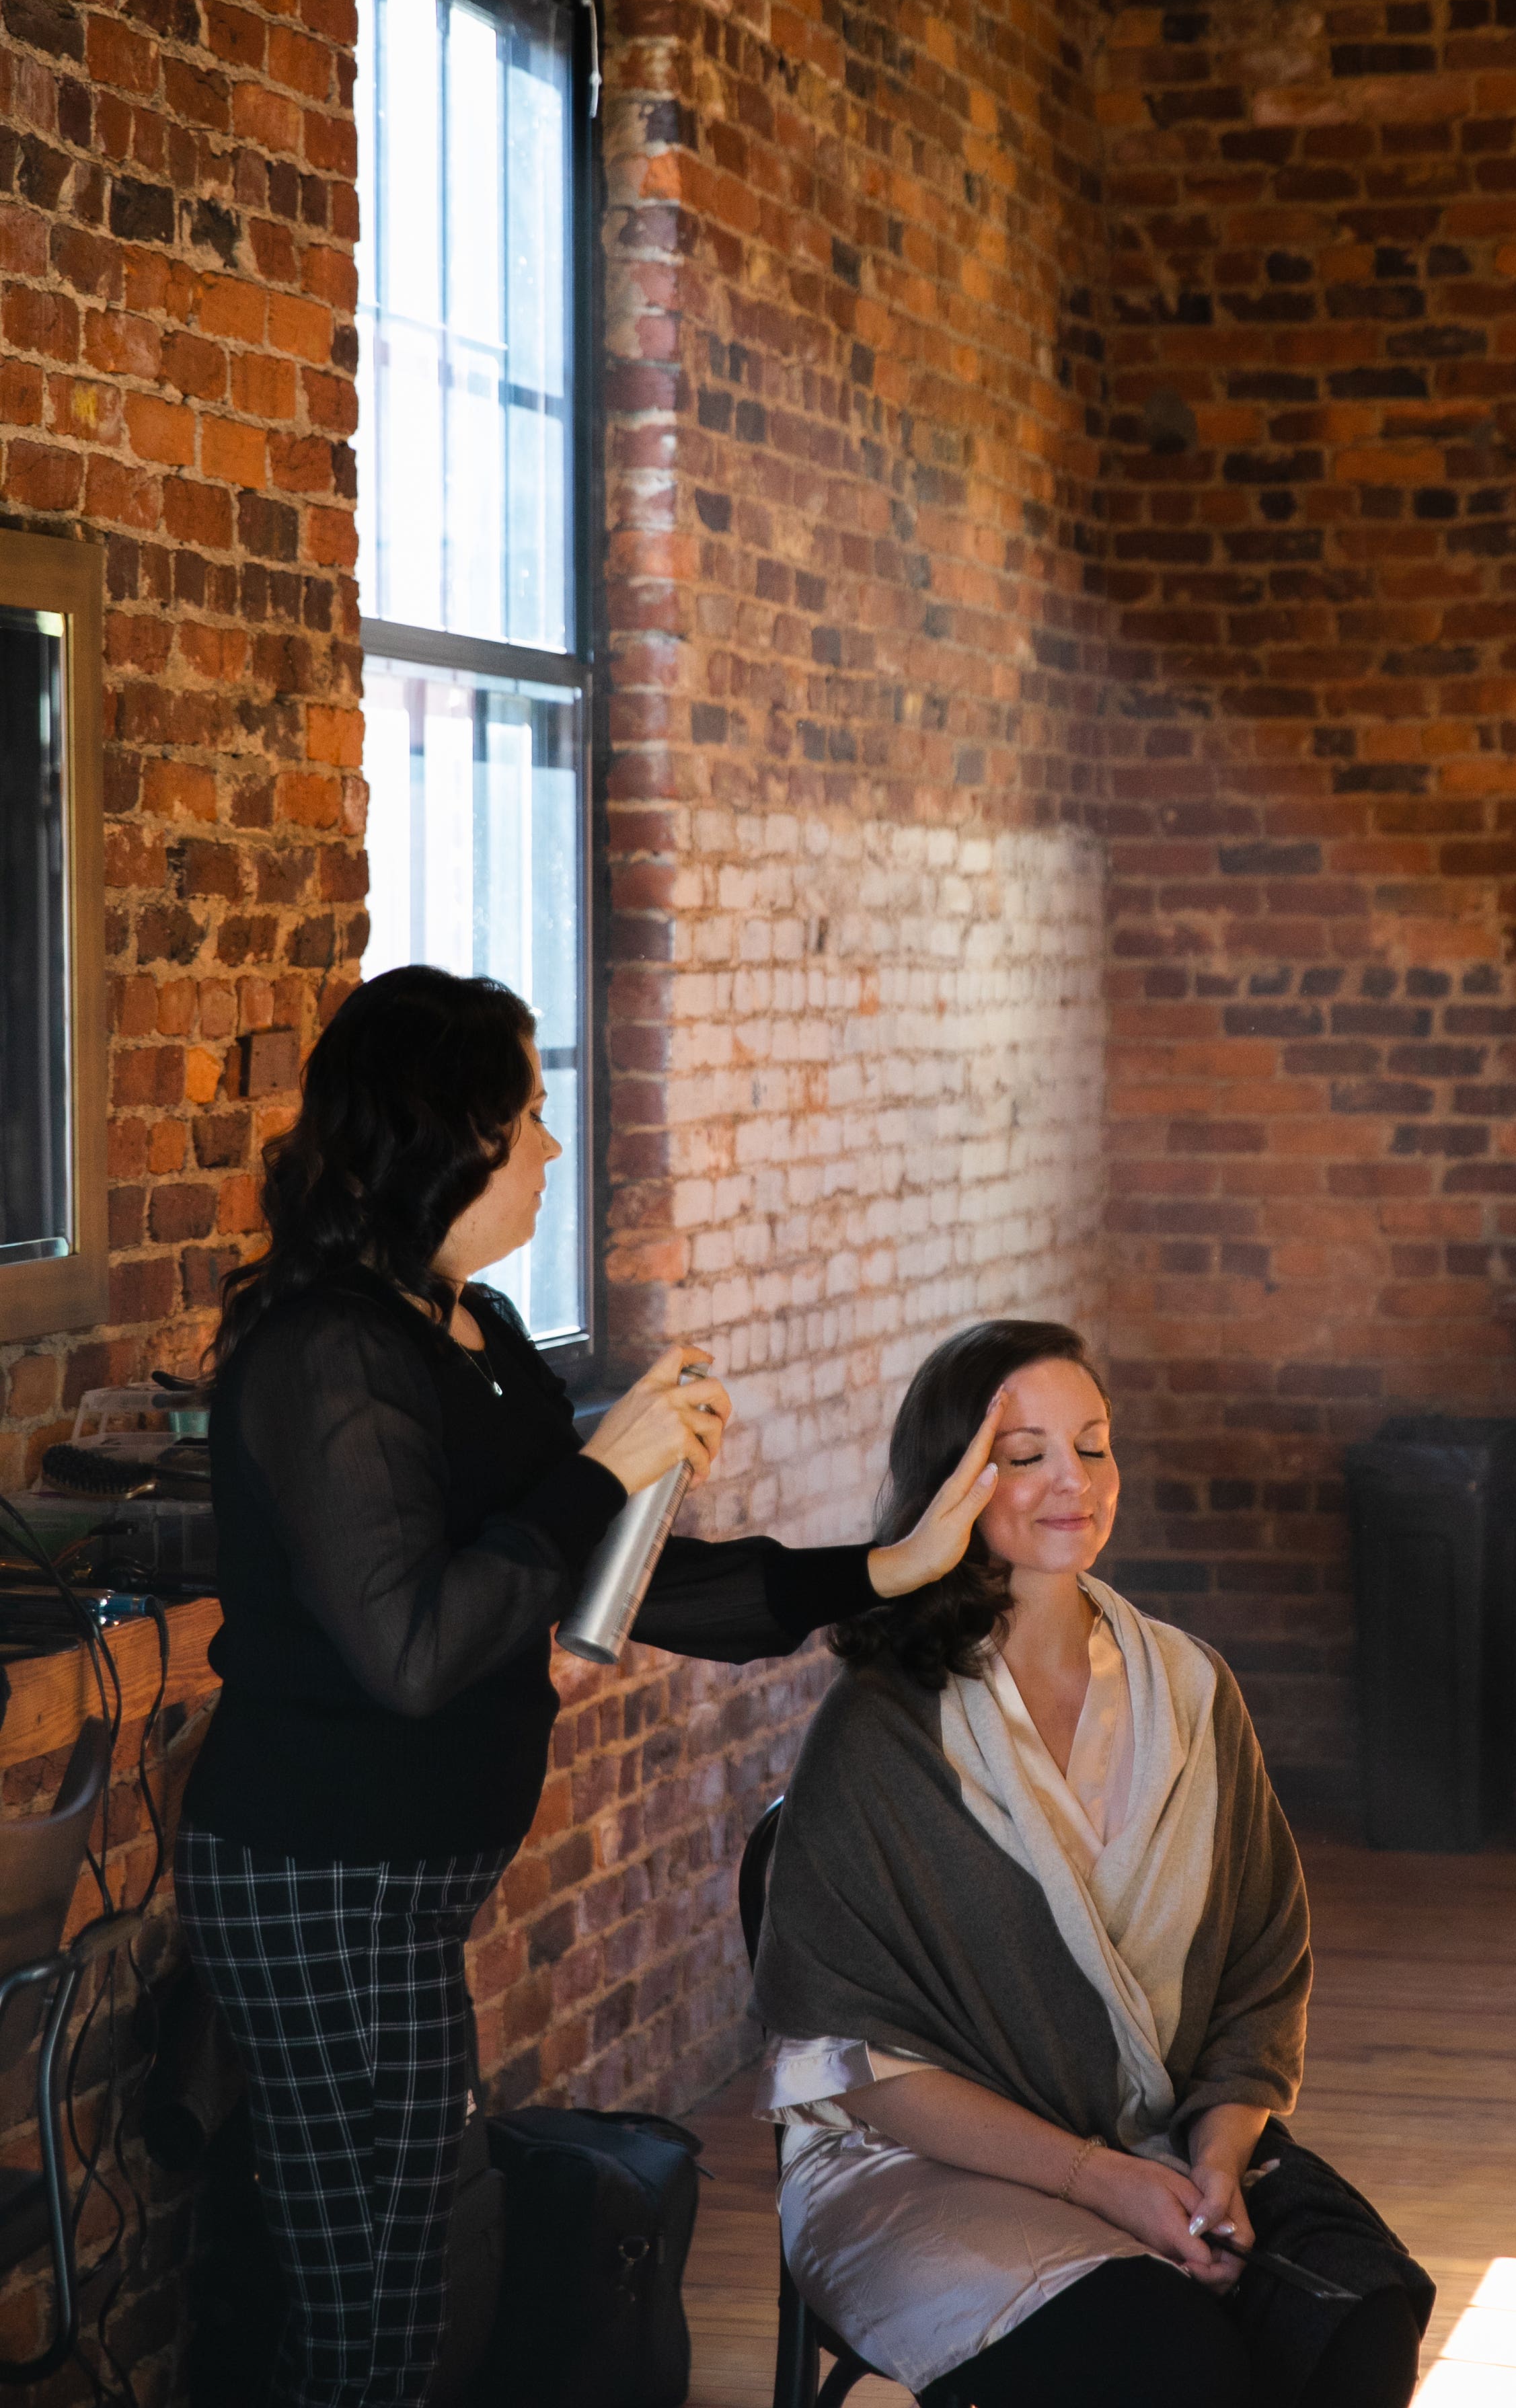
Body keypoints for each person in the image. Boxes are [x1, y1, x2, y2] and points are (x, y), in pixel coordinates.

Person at [173, 966, 996, 2408]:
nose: (554, 1150)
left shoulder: (473, 1333)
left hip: (404, 1883)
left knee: (404, 2279)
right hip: (316, 1870)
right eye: (532, 1116)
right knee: (379, 2298)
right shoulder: (327, 1354)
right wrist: (597, 1471)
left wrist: (884, 1568)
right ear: (450, 1134)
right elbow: (415, 1650)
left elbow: (638, 1584)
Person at [751, 1319, 1431, 2408]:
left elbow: (1262, 1972)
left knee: (1356, 2333)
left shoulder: (1192, 1690)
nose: (1073, 1482)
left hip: (1164, 2136)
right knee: (1169, 2365)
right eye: (1025, 1457)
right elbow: (847, 2060)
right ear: (954, 1483)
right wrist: (1099, 2182)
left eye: (1095, 1445)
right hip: (920, 2171)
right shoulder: (881, 1731)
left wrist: (1216, 2156)